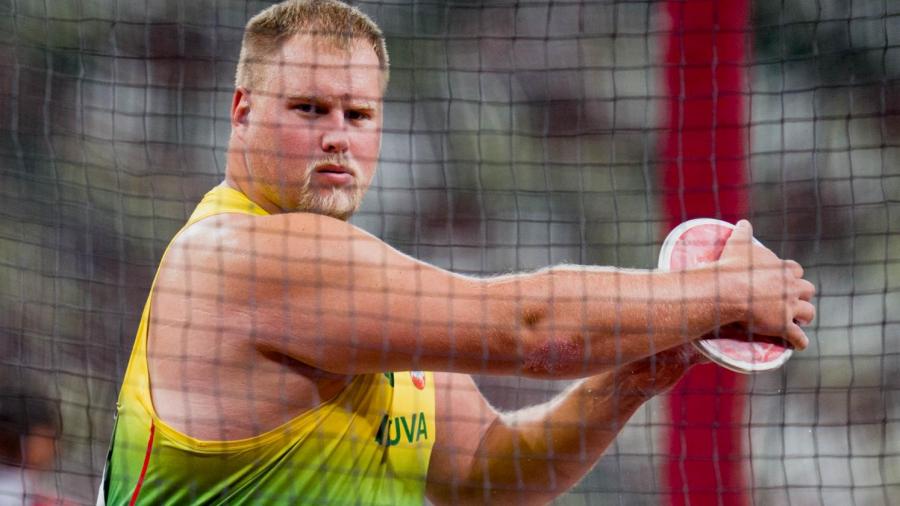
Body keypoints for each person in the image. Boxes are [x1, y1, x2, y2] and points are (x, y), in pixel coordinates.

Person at [100, 0, 816, 504]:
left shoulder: (364, 284)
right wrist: (722, 292)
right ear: (243, 110)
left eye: (359, 114)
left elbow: (489, 473)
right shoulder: (237, 253)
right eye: (308, 108)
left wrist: (634, 377)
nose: (337, 135)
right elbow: (530, 330)